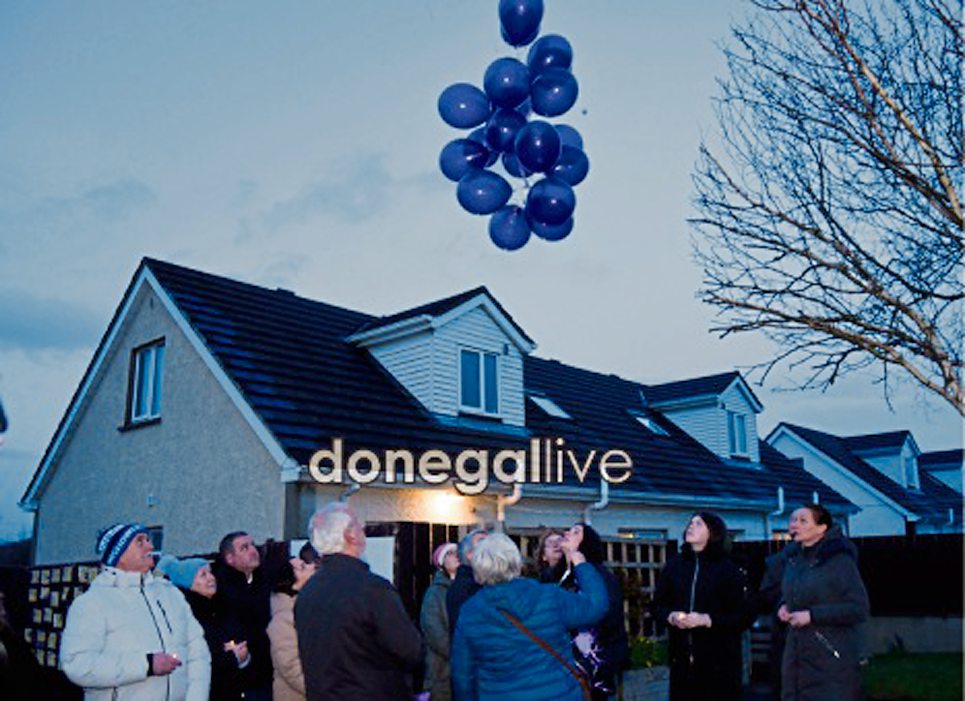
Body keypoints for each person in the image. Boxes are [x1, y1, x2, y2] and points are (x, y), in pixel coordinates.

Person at [450, 531, 609, 701]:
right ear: (516, 560)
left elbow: (463, 675)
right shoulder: (548, 596)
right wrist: (581, 565)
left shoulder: (470, 612)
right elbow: (596, 605)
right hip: (557, 693)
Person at [60, 523, 210, 700]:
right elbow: (77, 665)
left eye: (148, 540)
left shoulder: (170, 593)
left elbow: (197, 652)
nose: (150, 546)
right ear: (118, 555)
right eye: (140, 542)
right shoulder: (92, 603)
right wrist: (146, 665)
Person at [295, 502, 424, 700]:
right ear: (351, 535)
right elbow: (410, 650)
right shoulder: (373, 589)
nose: (363, 529)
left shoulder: (307, 592)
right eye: (357, 524)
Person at [652, 512, 748, 701]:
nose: (691, 526)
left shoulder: (728, 569)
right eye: (691, 522)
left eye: (699, 524)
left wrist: (707, 620)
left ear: (713, 532)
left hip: (719, 664)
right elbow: (657, 606)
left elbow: (742, 616)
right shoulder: (674, 566)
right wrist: (671, 616)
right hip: (681, 662)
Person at [778, 504, 869, 701]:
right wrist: (783, 606)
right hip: (796, 654)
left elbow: (858, 608)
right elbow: (792, 592)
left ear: (822, 528)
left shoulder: (839, 561)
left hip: (831, 656)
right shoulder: (793, 560)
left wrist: (812, 615)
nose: (795, 525)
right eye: (793, 520)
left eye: (803, 520)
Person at [157, 555, 250, 700]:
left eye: (210, 572)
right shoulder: (186, 615)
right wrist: (233, 658)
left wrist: (242, 656)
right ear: (187, 582)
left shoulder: (222, 607)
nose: (211, 578)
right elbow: (200, 659)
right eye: (203, 575)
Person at [558, 524, 629, 699]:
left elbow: (606, 615)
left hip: (596, 665)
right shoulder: (561, 574)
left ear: (586, 543)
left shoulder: (600, 576)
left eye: (576, 532)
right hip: (567, 665)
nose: (567, 533)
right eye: (569, 530)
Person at [212, 531, 273, 701]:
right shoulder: (219, 590)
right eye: (244, 548)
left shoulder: (264, 582)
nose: (253, 551)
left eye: (253, 545)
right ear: (230, 558)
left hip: (266, 674)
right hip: (238, 678)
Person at [266, 555, 318, 701]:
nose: (312, 567)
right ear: (291, 583)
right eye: (303, 567)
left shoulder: (307, 608)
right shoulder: (282, 620)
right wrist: (325, 691)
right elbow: (291, 668)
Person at [420, 542, 459, 701]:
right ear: (441, 563)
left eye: (457, 551)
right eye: (450, 553)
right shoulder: (434, 593)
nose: (456, 555)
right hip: (441, 672)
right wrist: (459, 653)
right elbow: (434, 632)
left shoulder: (466, 588)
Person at [446, 528, 488, 637]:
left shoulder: (483, 583)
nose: (490, 547)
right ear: (469, 554)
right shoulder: (467, 589)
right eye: (482, 542)